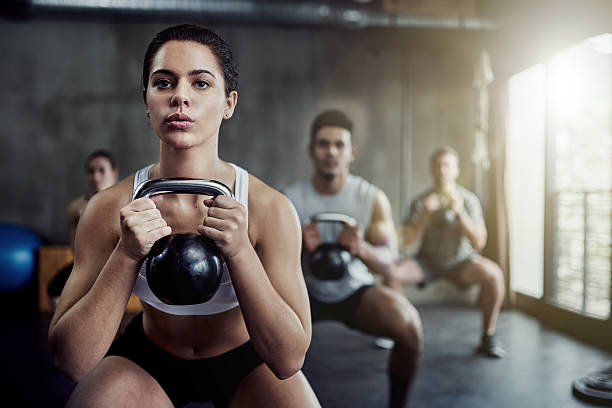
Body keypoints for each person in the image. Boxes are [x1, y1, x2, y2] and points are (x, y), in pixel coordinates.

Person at [48, 24, 320, 407]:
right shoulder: (109, 208)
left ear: (229, 103)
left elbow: (289, 358)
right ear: (146, 101)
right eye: (163, 83)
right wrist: (126, 254)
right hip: (151, 359)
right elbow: (71, 360)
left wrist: (240, 252)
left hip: (247, 360)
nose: (180, 97)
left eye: (201, 84)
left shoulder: (269, 209)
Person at [284, 109, 423, 408]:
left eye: (339, 145)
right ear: (311, 150)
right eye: (323, 144)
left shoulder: (370, 198)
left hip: (353, 291)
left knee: (409, 327)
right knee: (249, 335)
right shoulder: (290, 199)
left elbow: (390, 260)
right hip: (303, 293)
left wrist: (362, 248)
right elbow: (268, 262)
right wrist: (299, 249)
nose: (331, 152)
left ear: (352, 152)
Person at [389, 145, 506, 358]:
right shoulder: (420, 201)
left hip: (461, 262)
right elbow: (407, 244)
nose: (442, 170)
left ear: (456, 170)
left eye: (447, 165)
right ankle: (400, 330)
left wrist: (460, 213)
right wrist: (425, 214)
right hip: (427, 262)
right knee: (391, 274)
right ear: (431, 170)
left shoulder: (468, 200)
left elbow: (479, 242)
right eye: (438, 165)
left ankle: (488, 337)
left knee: (494, 275)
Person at [47, 149, 119, 311]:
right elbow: (74, 244)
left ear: (114, 173)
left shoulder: (123, 201)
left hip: (116, 264)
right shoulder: (76, 207)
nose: (96, 176)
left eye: (101, 170)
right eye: (91, 171)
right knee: (55, 290)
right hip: (86, 263)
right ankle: (67, 331)